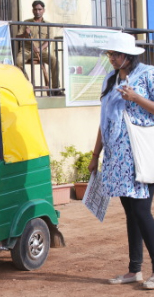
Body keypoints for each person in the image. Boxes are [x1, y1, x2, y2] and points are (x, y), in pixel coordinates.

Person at [88, 32, 154, 290]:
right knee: (131, 212)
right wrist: (95, 155)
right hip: (117, 157)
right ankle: (134, 270)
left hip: (140, 155)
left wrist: (136, 98)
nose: (112, 58)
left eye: (115, 54)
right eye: (110, 54)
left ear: (128, 55)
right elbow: (104, 121)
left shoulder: (148, 74)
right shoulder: (110, 79)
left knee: (140, 210)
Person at [15, 1, 62, 95]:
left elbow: (49, 40)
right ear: (33, 10)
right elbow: (17, 37)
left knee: (54, 61)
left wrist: (40, 49)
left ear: (43, 10)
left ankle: (56, 88)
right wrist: (25, 34)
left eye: (40, 9)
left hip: (42, 51)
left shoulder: (48, 24)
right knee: (18, 62)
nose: (37, 11)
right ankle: (27, 85)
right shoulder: (26, 22)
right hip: (27, 50)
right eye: (35, 9)